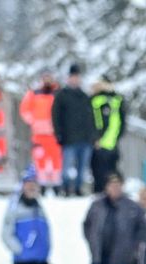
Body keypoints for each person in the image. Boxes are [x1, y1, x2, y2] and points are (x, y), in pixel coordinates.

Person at [3, 167, 59, 264]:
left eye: (34, 185)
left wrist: (46, 249)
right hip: (23, 260)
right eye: (29, 184)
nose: (32, 188)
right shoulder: (15, 207)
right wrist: (20, 250)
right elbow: (6, 233)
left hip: (40, 259)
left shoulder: (38, 207)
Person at [84, 172, 145, 264]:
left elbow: (142, 229)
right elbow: (87, 225)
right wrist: (92, 243)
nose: (115, 188)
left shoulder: (132, 206)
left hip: (122, 258)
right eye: (112, 185)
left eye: (117, 185)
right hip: (99, 256)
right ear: (106, 187)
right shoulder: (97, 205)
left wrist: (133, 248)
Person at [52, 64, 97, 197]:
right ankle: (65, 187)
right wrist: (58, 133)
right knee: (66, 166)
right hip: (69, 138)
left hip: (85, 138)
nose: (75, 80)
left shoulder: (84, 97)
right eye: (73, 77)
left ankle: (78, 188)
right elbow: (56, 116)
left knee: (82, 167)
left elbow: (91, 118)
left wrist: (93, 135)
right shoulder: (62, 96)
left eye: (77, 77)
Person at [20, 72, 63, 192]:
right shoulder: (34, 93)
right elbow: (25, 110)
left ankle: (56, 185)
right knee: (40, 159)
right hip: (38, 134)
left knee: (56, 159)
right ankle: (42, 184)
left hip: (54, 133)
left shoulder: (58, 93)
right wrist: (34, 122)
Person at [90, 78, 126, 192]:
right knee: (101, 169)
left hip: (108, 141)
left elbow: (118, 121)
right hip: (105, 141)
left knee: (107, 170)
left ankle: (108, 190)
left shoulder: (108, 100)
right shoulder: (104, 99)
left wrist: (98, 137)